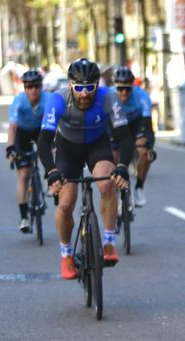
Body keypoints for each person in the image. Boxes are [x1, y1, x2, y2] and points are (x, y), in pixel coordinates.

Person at [37, 58, 133, 280]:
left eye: (90, 88)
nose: (84, 93)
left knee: (107, 182)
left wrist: (121, 167)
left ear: (97, 86)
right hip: (66, 149)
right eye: (79, 88)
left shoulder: (109, 97)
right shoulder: (58, 99)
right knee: (67, 202)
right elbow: (44, 142)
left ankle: (108, 242)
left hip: (97, 146)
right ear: (70, 85)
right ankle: (66, 254)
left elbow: (125, 138)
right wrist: (52, 171)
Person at [6, 69, 49, 233]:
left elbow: (58, 123)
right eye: (29, 86)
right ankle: (24, 217)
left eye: (37, 86)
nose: (33, 90)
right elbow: (12, 127)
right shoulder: (19, 101)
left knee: (51, 148)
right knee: (24, 174)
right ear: (24, 88)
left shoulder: (48, 99)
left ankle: (48, 176)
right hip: (22, 134)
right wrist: (10, 147)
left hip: (40, 131)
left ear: (41, 87)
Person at [111, 66, 156, 207]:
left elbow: (148, 126)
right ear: (115, 87)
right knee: (113, 155)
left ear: (133, 87)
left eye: (128, 89)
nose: (124, 93)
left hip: (136, 124)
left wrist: (148, 146)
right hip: (116, 125)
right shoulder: (108, 98)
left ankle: (139, 188)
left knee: (144, 153)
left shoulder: (142, 97)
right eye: (120, 88)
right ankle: (114, 193)